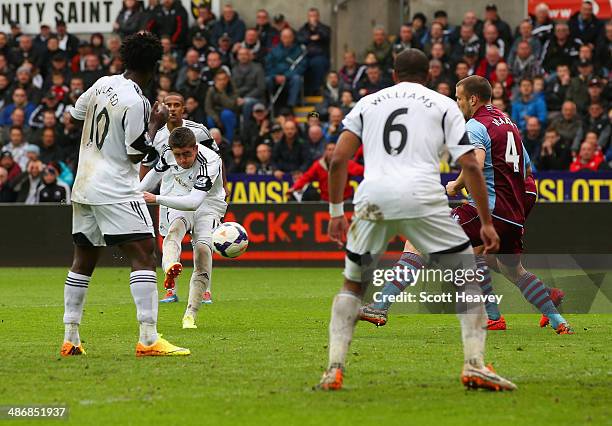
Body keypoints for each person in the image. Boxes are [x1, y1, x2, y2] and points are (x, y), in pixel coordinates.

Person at [316, 49, 516, 392]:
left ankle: (333, 369)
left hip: (374, 198)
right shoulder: (443, 105)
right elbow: (470, 166)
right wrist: (485, 221)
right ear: (428, 74)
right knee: (466, 274)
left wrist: (336, 212)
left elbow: (339, 160)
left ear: (394, 75)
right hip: (423, 197)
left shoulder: (368, 102)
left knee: (353, 284)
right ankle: (475, 364)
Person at [360, 76, 572, 334]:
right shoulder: (510, 125)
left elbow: (476, 165)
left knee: (416, 241)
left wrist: (457, 185)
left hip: (488, 210)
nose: (457, 103)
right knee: (509, 268)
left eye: (459, 98)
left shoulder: (475, 126)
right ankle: (557, 320)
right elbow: (526, 168)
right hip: (513, 216)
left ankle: (380, 306)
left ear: (473, 99)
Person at [60, 32, 189, 357]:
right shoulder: (137, 101)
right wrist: (155, 123)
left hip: (84, 184)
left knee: (84, 259)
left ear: (124, 59)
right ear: (154, 65)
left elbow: (73, 116)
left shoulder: (103, 83)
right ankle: (148, 339)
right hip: (115, 186)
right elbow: (137, 154)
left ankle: (70, 337)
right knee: (145, 254)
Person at [141, 127, 226, 329]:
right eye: (178, 155)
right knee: (174, 230)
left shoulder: (211, 160)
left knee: (203, 252)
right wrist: (133, 194)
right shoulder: (168, 154)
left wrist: (156, 198)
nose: (182, 160)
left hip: (209, 205)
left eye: (187, 154)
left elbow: (195, 202)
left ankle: (190, 314)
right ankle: (170, 267)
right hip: (181, 199)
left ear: (195, 148)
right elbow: (152, 176)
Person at [139, 91, 219, 305]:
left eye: (177, 105)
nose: (172, 109)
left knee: (202, 244)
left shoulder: (200, 135)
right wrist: (135, 194)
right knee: (171, 234)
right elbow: (151, 169)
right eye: (169, 105)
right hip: (172, 192)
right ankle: (170, 284)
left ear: (184, 108)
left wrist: (153, 198)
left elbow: (217, 159)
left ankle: (205, 290)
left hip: (203, 196)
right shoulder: (159, 139)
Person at [287, 142, 363, 201]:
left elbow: (361, 171)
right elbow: (306, 177)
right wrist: (294, 188)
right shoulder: (318, 165)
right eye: (329, 149)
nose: (332, 152)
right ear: (325, 152)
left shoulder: (346, 163)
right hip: (326, 200)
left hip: (344, 199)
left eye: (334, 149)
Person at [265, 29, 307, 108]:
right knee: (267, 80)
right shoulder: (274, 50)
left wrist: (286, 76)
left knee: (297, 79)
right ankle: (270, 104)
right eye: (284, 37)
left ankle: (291, 106)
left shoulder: (300, 51)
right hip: (275, 77)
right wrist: (275, 76)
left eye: (289, 37)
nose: (287, 39)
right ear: (281, 38)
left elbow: (301, 67)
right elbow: (268, 65)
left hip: (290, 77)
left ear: (293, 38)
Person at [297, 7, 331, 95]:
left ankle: (316, 90)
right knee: (301, 66)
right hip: (306, 56)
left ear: (318, 17)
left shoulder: (324, 28)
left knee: (318, 63)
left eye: (315, 16)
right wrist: (312, 38)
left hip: (320, 56)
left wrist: (316, 28)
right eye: (311, 16)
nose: (313, 18)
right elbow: (300, 39)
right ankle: (303, 91)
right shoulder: (303, 29)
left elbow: (325, 36)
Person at [205, 70, 238, 143]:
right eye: (219, 79)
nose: (222, 82)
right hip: (215, 114)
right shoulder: (211, 90)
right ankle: (213, 143)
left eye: (224, 79)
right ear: (215, 80)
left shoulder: (232, 89)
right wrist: (216, 119)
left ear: (228, 79)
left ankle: (229, 142)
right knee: (210, 120)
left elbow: (231, 105)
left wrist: (221, 92)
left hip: (229, 113)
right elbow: (208, 107)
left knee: (226, 115)